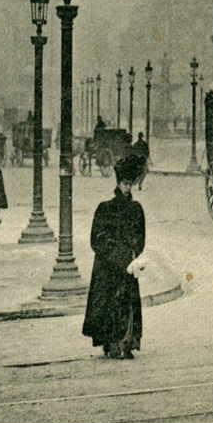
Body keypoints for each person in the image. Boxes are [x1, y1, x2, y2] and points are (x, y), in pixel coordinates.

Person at [82, 152, 147, 359]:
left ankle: (127, 343)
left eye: (131, 184)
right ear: (118, 183)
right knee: (111, 305)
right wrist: (119, 255)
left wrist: (134, 254)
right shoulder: (105, 209)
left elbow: (140, 236)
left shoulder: (136, 209)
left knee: (127, 305)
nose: (128, 188)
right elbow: (98, 239)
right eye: (125, 184)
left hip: (128, 265)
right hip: (110, 268)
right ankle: (112, 344)